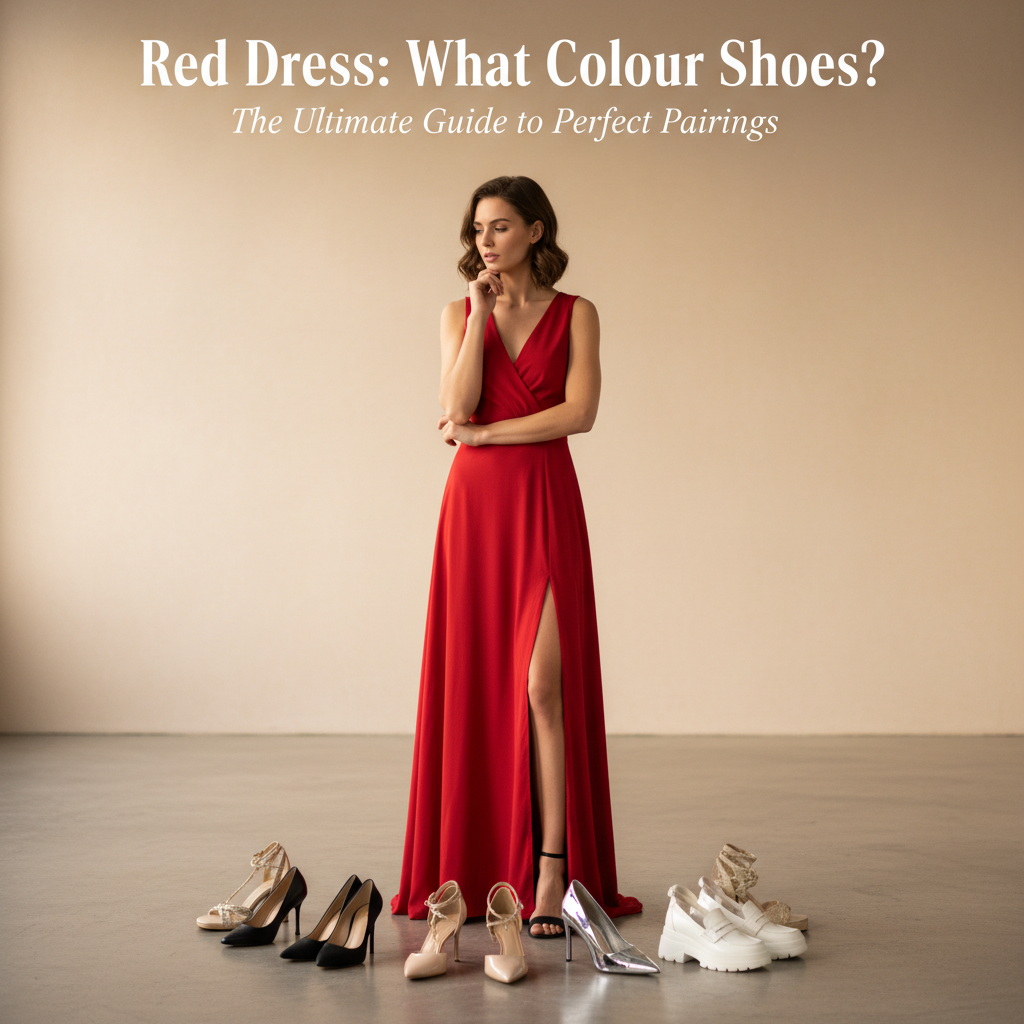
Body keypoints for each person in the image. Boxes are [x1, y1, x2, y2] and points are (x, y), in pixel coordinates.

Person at [391, 176, 640, 937]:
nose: (486, 241)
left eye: (500, 227)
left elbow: (579, 412)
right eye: (478, 230)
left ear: (536, 230)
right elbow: (456, 406)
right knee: (477, 681)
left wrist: (489, 437)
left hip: (544, 499)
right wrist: (479, 316)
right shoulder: (457, 313)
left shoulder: (577, 313)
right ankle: (482, 861)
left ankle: (552, 869)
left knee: (542, 687)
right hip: (475, 513)